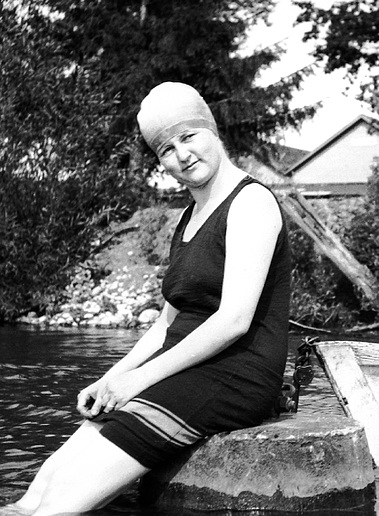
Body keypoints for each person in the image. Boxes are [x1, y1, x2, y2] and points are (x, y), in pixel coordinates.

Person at [5, 82, 291, 515]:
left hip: (237, 373)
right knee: (41, 488)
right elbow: (163, 325)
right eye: (166, 149)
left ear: (213, 132)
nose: (182, 155)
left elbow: (234, 319)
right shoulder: (188, 217)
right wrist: (111, 378)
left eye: (189, 136)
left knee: (61, 504)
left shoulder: (251, 203)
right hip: (185, 366)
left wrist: (138, 382)